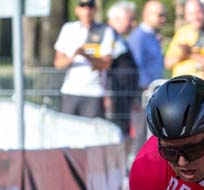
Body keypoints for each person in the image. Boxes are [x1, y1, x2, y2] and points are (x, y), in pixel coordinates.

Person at [54, 0, 117, 119]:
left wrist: (86, 55)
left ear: (95, 9)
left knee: (92, 133)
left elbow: (106, 64)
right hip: (70, 91)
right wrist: (73, 57)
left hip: (94, 92)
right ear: (77, 9)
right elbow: (58, 63)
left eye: (90, 6)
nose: (87, 9)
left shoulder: (105, 31)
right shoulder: (68, 29)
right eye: (83, 5)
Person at [106, 2, 142, 139]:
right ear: (116, 19)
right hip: (115, 95)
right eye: (130, 20)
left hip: (125, 96)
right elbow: (106, 68)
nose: (133, 24)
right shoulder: (107, 36)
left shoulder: (121, 38)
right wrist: (107, 95)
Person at [168, 0, 204, 79]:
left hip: (202, 87)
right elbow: (168, 62)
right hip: (178, 85)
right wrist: (181, 56)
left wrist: (190, 54)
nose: (195, 17)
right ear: (185, 15)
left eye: (198, 12)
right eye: (191, 13)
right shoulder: (182, 32)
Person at [128, 0, 167, 87]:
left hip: (154, 89)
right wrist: (146, 88)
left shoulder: (153, 35)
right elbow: (137, 66)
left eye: (164, 15)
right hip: (145, 93)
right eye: (160, 15)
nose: (163, 19)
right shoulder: (138, 37)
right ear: (147, 14)